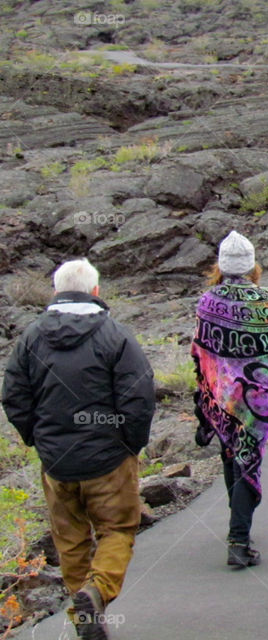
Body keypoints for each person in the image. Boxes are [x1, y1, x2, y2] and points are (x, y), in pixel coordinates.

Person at [2, 258, 155, 640]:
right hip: (109, 458)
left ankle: (83, 616)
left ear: (56, 291)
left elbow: (14, 396)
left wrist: (39, 440)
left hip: (57, 463)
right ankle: (97, 591)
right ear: (96, 292)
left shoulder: (31, 338)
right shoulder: (115, 335)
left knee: (69, 541)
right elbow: (139, 396)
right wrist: (129, 444)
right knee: (117, 528)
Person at [191, 231, 268, 568]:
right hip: (256, 399)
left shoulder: (207, 301)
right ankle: (239, 539)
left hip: (221, 395)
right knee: (248, 460)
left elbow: (200, 348)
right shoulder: (267, 300)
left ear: (220, 267)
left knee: (231, 455)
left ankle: (238, 525)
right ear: (252, 265)